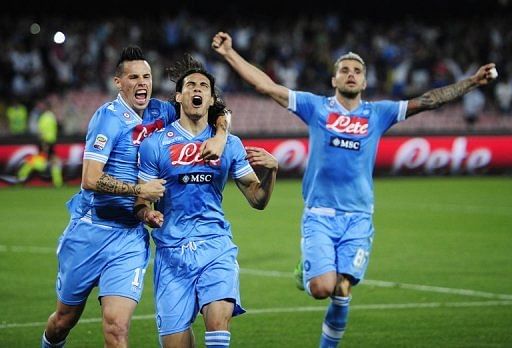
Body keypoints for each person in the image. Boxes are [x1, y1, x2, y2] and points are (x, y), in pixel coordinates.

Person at [211, 31, 497, 347]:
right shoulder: (316, 107)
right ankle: (305, 272)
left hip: (359, 217)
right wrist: (229, 54)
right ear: (334, 79)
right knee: (322, 288)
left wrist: (471, 82)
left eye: (357, 71)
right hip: (320, 214)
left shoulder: (378, 113)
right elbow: (265, 86)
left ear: (364, 82)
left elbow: (428, 101)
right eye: (345, 70)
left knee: (343, 288)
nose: (351, 74)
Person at [41, 46, 231, 348]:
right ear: (119, 83)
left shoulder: (160, 111)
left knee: (117, 328)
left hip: (129, 237)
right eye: (133, 77)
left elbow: (215, 108)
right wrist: (138, 190)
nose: (142, 83)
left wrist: (220, 136)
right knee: (63, 320)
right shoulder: (108, 119)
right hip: (91, 231)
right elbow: (89, 179)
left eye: (146, 76)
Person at [133, 54, 278, 347]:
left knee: (217, 321)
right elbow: (140, 200)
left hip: (215, 247)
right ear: (179, 96)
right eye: (191, 85)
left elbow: (257, 199)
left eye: (204, 86)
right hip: (171, 253)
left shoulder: (230, 144)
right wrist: (147, 214)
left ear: (211, 99)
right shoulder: (154, 145)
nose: (197, 89)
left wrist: (271, 171)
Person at [17, 98, 63, 187]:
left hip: (45, 143)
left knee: (38, 162)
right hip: (49, 142)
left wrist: (44, 143)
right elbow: (52, 131)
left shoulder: (44, 117)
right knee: (52, 162)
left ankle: (21, 177)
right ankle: (58, 183)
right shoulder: (51, 117)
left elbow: (42, 132)